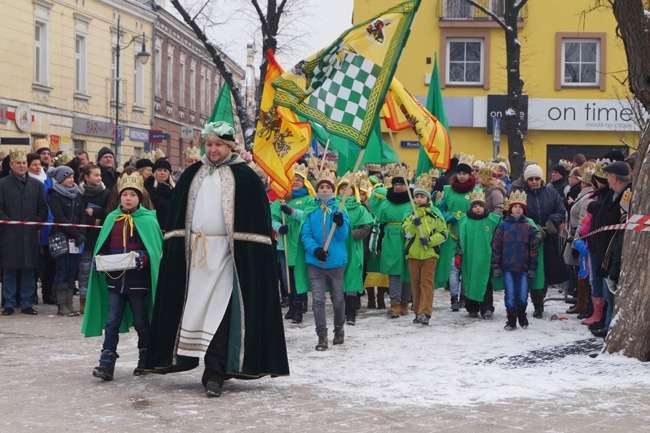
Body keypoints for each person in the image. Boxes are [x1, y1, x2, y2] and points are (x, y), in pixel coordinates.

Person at [146, 121, 289, 397]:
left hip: (228, 257)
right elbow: (177, 219)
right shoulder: (191, 175)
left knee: (222, 314)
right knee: (193, 312)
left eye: (218, 144)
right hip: (195, 259)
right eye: (209, 144)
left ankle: (214, 373)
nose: (212, 149)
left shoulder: (246, 178)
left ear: (230, 146)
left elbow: (255, 227)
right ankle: (192, 361)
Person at [82, 172, 162, 380]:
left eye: (133, 195)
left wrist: (142, 258)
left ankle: (145, 357)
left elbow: (154, 251)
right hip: (115, 280)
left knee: (140, 321)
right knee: (111, 321)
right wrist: (100, 259)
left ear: (140, 197)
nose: (128, 198)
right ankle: (107, 362)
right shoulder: (111, 219)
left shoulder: (148, 220)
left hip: (138, 281)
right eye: (124, 194)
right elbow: (103, 246)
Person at [300, 169, 349, 350]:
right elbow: (305, 234)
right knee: (318, 300)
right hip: (315, 263)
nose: (325, 189)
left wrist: (341, 223)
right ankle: (322, 335)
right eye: (322, 186)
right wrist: (315, 250)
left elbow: (343, 236)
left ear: (333, 190)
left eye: (328, 186)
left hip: (335, 263)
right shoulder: (310, 210)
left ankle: (339, 328)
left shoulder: (339, 209)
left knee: (337, 299)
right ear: (317, 189)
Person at [0, 149, 49, 315]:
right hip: (9, 234)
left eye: (23, 163)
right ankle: (9, 303)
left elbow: (43, 208)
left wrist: (36, 223)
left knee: (29, 268)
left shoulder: (36, 185)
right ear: (11, 165)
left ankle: (27, 302)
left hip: (29, 234)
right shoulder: (3, 184)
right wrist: (7, 223)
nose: (21, 166)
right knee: (10, 268)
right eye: (18, 163)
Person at [271, 164, 317, 324]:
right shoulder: (282, 198)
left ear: (304, 182)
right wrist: (279, 227)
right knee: (287, 277)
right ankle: (291, 303)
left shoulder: (310, 199)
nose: (296, 182)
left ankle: (299, 306)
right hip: (285, 243)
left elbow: (309, 216)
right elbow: (274, 217)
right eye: (293, 180)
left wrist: (291, 212)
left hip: (300, 243)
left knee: (299, 276)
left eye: (299, 180)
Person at [402, 174, 448, 325]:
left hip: (429, 254)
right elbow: (405, 233)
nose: (419, 199)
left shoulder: (435, 215)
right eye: (417, 196)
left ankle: (425, 312)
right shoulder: (410, 214)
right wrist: (413, 226)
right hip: (413, 254)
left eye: (422, 196)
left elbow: (443, 233)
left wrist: (429, 240)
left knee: (426, 283)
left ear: (428, 198)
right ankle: (417, 311)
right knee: (415, 284)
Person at [521, 164, 566, 318]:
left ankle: (540, 301)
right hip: (529, 240)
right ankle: (537, 304)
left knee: (547, 273)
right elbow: (515, 214)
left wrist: (552, 221)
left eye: (537, 178)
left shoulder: (552, 193)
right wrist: (532, 227)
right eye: (531, 179)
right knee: (535, 272)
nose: (534, 182)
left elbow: (560, 211)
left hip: (549, 239)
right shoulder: (521, 195)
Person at [436, 155, 479, 311]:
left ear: (469, 175)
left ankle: (464, 296)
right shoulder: (448, 190)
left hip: (469, 231)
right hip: (453, 230)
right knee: (454, 266)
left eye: (465, 174)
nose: (461, 176)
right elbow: (441, 208)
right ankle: (453, 296)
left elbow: (481, 209)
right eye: (459, 173)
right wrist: (448, 217)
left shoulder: (476, 191)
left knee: (466, 265)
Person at [492, 190, 540, 331]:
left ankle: (522, 314)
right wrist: (496, 266)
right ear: (510, 208)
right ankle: (511, 318)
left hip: (524, 267)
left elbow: (533, 248)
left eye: (520, 207)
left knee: (523, 294)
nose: (517, 209)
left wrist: (532, 267)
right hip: (507, 267)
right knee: (510, 293)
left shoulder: (528, 227)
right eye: (515, 206)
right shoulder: (503, 226)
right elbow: (497, 247)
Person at [373, 166, 413, 318]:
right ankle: (394, 304)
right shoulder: (386, 202)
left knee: (408, 271)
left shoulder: (412, 202)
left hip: (408, 237)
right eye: (396, 184)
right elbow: (379, 222)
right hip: (391, 239)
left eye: (401, 184)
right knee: (394, 271)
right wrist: (376, 242)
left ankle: (405, 303)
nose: (398, 186)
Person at [335, 176, 373, 326]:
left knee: (352, 277)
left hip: (353, 247)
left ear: (354, 191)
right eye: (342, 188)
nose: (345, 191)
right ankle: (340, 312)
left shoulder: (360, 208)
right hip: (337, 247)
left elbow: (365, 228)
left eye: (348, 188)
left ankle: (351, 313)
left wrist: (348, 234)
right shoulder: (332, 206)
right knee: (338, 279)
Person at [457, 190, 501, 319]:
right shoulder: (465, 221)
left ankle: (487, 308)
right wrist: (459, 255)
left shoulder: (492, 220)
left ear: (485, 207)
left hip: (486, 257)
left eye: (480, 206)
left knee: (486, 283)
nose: (477, 208)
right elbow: (460, 239)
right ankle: (472, 308)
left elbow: (497, 239)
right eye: (475, 206)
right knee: (470, 282)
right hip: (469, 257)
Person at [49, 166, 86, 317]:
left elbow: (82, 215)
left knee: (72, 271)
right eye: (68, 177)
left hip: (76, 239)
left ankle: (70, 303)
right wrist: (76, 234)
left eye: (72, 177)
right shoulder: (55, 195)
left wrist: (81, 234)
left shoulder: (77, 194)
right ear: (60, 179)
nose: (72, 180)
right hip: (61, 237)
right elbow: (59, 218)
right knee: (62, 270)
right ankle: (61, 304)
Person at [78, 164, 110, 314]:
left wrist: (97, 212)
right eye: (96, 175)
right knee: (84, 269)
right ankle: (83, 299)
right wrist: (92, 220)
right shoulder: (79, 193)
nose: (99, 178)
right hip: (85, 235)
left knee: (100, 268)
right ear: (86, 177)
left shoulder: (106, 193)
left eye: (100, 175)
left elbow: (109, 212)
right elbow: (79, 213)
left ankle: (99, 300)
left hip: (101, 236)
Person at [26, 152, 56, 305]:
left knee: (50, 260)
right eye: (34, 165)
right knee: (34, 261)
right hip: (32, 223)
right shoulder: (26, 181)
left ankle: (47, 292)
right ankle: (31, 294)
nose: (38, 167)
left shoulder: (48, 180)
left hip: (48, 222)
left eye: (39, 164)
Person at [144, 157, 175, 231]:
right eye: (159, 170)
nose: (162, 172)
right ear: (155, 172)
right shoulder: (148, 189)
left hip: (170, 228)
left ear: (169, 173)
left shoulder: (174, 190)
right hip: (153, 227)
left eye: (165, 170)